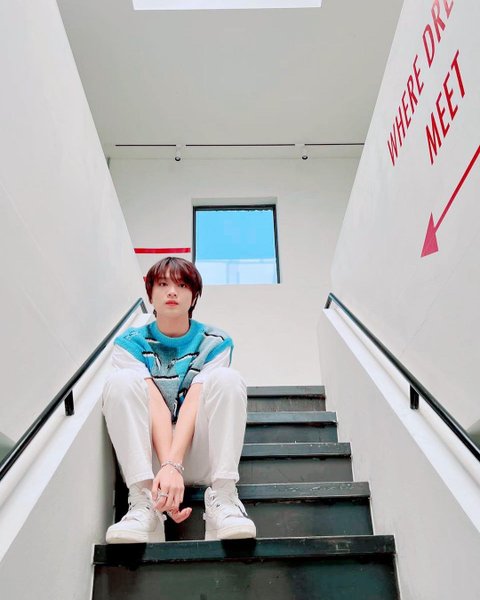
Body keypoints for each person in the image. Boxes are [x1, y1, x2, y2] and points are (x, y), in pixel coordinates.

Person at [102, 256, 256, 543]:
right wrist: (165, 469)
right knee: (120, 381)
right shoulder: (130, 343)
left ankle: (223, 497)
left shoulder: (215, 341)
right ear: (150, 294)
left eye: (182, 285)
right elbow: (156, 406)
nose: (172, 292)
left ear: (194, 296)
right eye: (163, 284)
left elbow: (194, 401)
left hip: (196, 453)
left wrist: (174, 465)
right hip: (150, 460)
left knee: (228, 379)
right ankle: (144, 501)